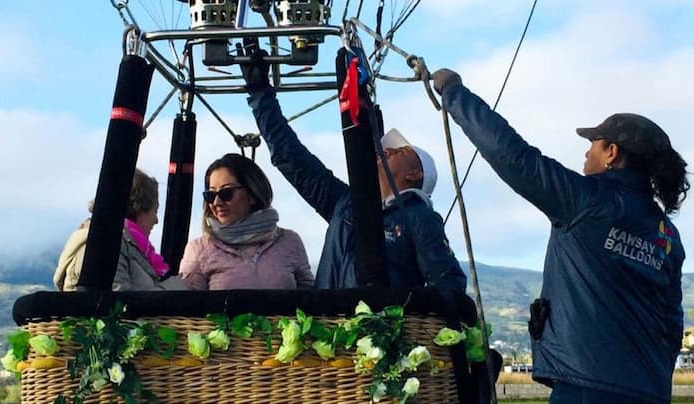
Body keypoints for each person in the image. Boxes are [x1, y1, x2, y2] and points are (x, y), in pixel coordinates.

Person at [432, 68, 689, 403]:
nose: (587, 153)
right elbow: (672, 324)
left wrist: (455, 95)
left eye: (593, 144)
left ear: (612, 152)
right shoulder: (667, 235)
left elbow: (514, 157)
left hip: (586, 385)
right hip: (649, 390)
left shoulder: (585, 200)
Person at [238, 40, 467, 292]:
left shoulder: (419, 218)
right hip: (327, 328)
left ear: (415, 173)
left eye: (398, 151)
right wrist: (260, 95)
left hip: (383, 329)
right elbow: (291, 158)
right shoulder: (345, 204)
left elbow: (448, 285)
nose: (385, 150)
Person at [178, 153, 314, 290]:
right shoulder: (199, 249)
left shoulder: (290, 241)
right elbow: (187, 306)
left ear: (252, 195)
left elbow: (311, 299)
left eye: (227, 193)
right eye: (211, 195)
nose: (216, 202)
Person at [54, 168, 188, 291]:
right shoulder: (105, 245)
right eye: (155, 210)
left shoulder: (123, 245)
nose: (156, 220)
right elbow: (117, 305)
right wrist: (175, 287)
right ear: (139, 207)